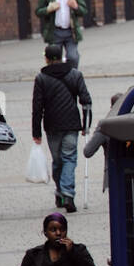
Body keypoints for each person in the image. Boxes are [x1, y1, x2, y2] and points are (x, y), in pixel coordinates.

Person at [32, 42, 92, 212]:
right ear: (62, 56)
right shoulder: (75, 74)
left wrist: (36, 132)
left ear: (46, 58)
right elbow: (86, 100)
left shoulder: (41, 78)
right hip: (72, 124)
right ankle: (65, 193)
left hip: (52, 126)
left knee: (58, 160)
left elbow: (37, 108)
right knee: (69, 159)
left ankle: (63, 192)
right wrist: (86, 123)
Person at [35, 0, 86, 68]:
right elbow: (38, 12)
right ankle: (56, 79)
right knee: (54, 59)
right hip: (54, 32)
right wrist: (48, 9)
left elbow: (84, 11)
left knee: (73, 57)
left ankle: (71, 77)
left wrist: (75, 7)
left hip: (70, 32)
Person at [82, 92, 123, 193]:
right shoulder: (133, 123)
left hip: (112, 175)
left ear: (111, 107)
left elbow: (88, 151)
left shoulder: (105, 126)